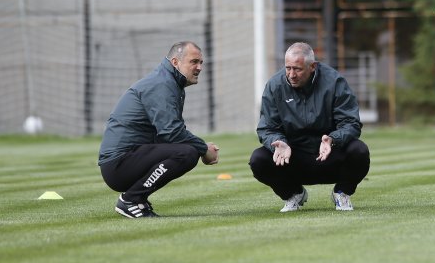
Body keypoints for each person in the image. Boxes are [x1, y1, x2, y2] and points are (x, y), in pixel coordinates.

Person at [98, 41, 220, 218]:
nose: (199, 67)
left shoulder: (170, 82)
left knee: (186, 150)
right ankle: (131, 200)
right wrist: (203, 149)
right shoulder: (162, 84)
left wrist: (200, 146)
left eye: (201, 62)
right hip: (118, 165)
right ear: (175, 62)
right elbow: (172, 132)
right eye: (194, 61)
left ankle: (137, 199)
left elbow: (170, 134)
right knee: (187, 153)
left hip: (125, 159)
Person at [249, 42, 370, 212]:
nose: (291, 74)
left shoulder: (335, 82)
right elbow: (266, 128)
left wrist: (333, 139)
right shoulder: (275, 86)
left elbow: (351, 123)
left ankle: (342, 192)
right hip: (293, 158)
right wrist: (278, 141)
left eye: (297, 69)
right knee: (258, 159)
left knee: (360, 151)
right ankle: (293, 194)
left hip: (329, 155)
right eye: (288, 68)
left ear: (312, 66)